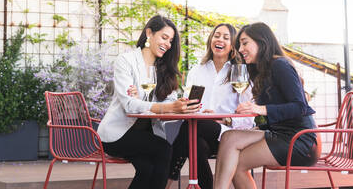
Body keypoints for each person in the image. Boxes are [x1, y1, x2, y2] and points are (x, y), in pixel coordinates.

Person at [97, 15, 200, 189]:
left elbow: (170, 101)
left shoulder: (164, 68)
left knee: (147, 169)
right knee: (164, 149)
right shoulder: (126, 61)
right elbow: (129, 104)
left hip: (146, 135)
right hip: (117, 134)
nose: (167, 44)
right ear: (149, 33)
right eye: (164, 37)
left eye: (171, 40)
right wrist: (167, 107)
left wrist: (179, 106)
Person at [214, 22, 319, 189]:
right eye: (240, 44)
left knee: (237, 165)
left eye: (245, 42)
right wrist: (232, 118)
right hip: (278, 132)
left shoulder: (280, 64)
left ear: (262, 41)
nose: (240, 49)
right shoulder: (261, 71)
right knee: (229, 137)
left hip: (299, 139)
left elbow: (300, 107)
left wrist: (260, 109)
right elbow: (267, 115)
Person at [166, 23, 254, 189]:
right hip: (198, 133)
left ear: (233, 45)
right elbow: (187, 105)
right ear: (211, 40)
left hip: (227, 135)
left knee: (189, 131)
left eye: (226, 37)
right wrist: (188, 107)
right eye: (217, 35)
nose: (220, 39)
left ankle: (166, 182)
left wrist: (225, 119)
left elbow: (248, 118)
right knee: (194, 143)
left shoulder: (240, 73)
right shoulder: (197, 70)